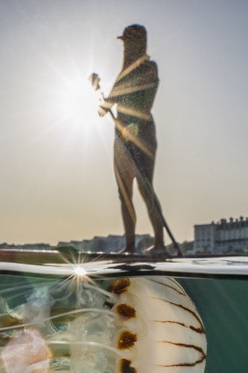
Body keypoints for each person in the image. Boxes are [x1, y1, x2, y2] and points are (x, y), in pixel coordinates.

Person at [99, 24, 166, 256]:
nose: (125, 47)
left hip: (143, 137)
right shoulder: (122, 74)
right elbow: (104, 108)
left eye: (128, 42)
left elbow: (144, 106)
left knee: (146, 188)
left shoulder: (149, 68)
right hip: (121, 139)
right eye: (124, 43)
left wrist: (132, 130)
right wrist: (97, 91)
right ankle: (129, 246)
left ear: (138, 43)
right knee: (124, 193)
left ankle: (159, 244)